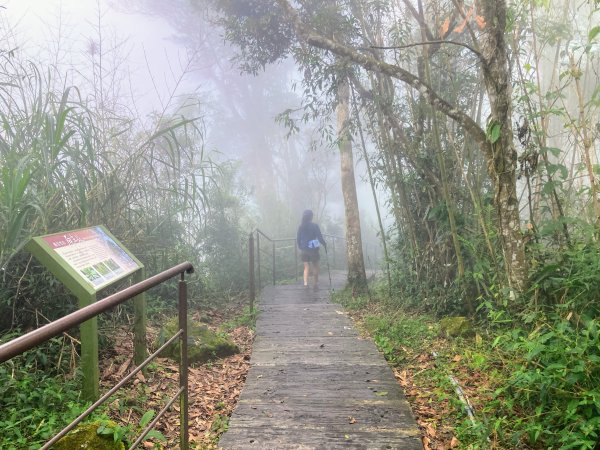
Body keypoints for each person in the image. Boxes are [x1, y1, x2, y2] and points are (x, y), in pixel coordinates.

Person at [296, 209, 327, 289]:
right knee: (315, 266)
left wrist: (300, 246)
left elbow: (298, 238)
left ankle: (306, 284)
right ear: (311, 217)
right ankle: (316, 283)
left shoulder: (301, 226)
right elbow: (320, 238)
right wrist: (324, 244)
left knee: (306, 267)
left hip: (304, 249)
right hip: (313, 248)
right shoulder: (315, 226)